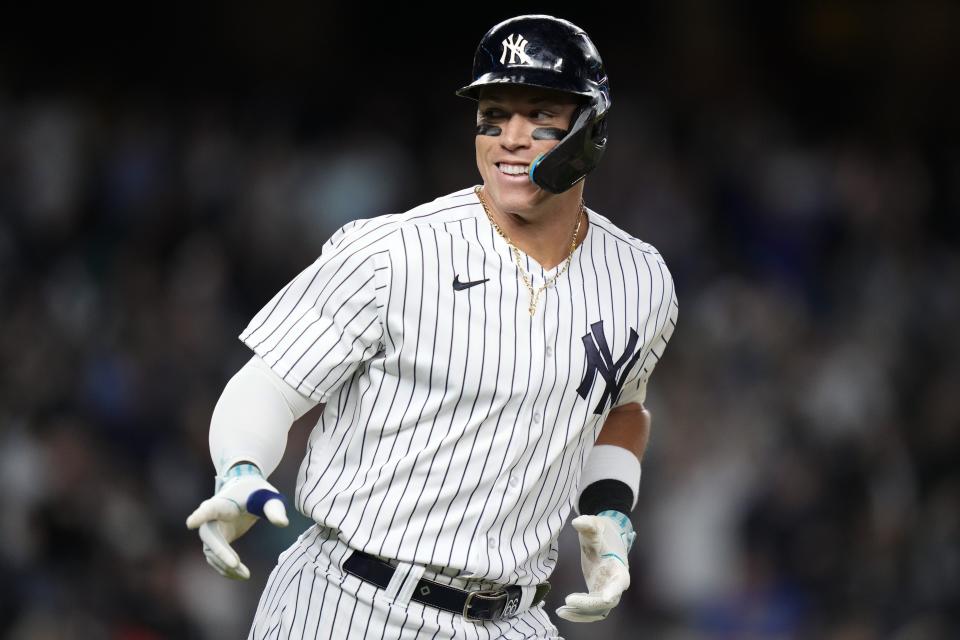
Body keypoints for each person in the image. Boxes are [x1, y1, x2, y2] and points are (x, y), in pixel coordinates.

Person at [186, 14, 677, 639]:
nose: (511, 138)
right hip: (348, 601)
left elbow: (621, 410)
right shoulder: (393, 252)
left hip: (514, 617)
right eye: (493, 116)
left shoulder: (642, 279)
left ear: (592, 130)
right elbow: (271, 385)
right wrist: (240, 469)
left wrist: (610, 513)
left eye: (540, 116)